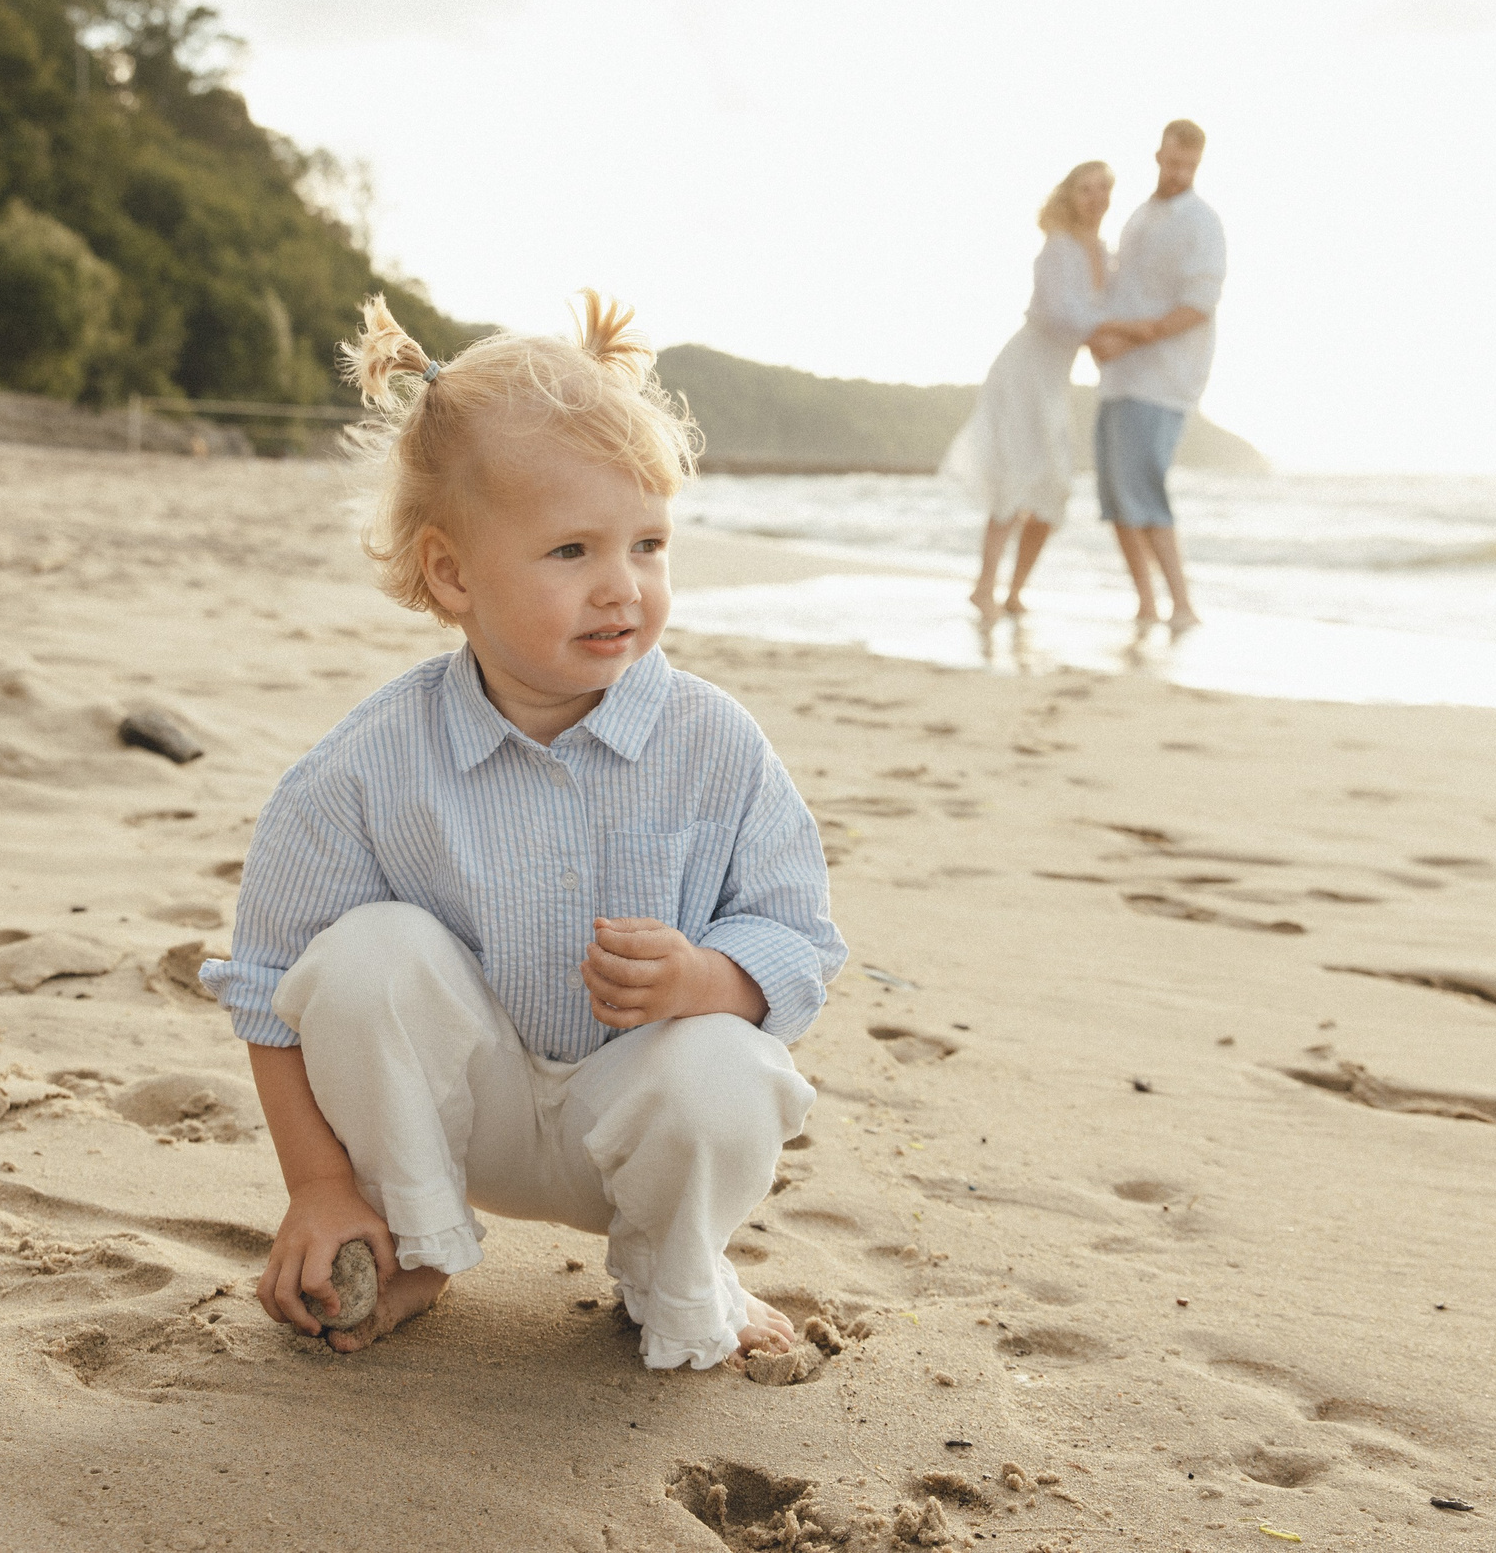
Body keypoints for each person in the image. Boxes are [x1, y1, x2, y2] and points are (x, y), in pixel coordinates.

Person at [199, 292, 845, 1372]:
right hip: (462, 1115)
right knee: (363, 958)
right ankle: (414, 1243)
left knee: (730, 1064)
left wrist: (705, 978)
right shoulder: (369, 763)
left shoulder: (714, 744)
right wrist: (318, 1187)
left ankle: (674, 1271)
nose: (621, 587)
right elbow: (268, 985)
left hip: (636, 1114)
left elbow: (802, 941)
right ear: (453, 573)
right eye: (571, 550)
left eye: (648, 543)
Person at [940, 161, 1115, 617]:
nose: (1095, 198)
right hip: (1023, 373)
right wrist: (1120, 331)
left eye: (1103, 189)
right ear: (1069, 197)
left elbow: (1100, 322)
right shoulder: (1057, 250)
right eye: (1085, 189)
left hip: (1055, 380)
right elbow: (1056, 316)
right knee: (1014, 477)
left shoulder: (1106, 254)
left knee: (1053, 488)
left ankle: (1015, 590)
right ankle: (985, 588)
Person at [1089, 120, 1226, 633]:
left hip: (1164, 382)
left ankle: (1182, 605)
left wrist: (1127, 337)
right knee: (1116, 500)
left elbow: (1198, 306)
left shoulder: (1202, 223)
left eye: (1187, 166)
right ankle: (1146, 604)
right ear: (1158, 155)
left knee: (1145, 491)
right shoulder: (1139, 217)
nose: (1178, 172)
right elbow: (1120, 287)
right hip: (1119, 378)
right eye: (1172, 162)